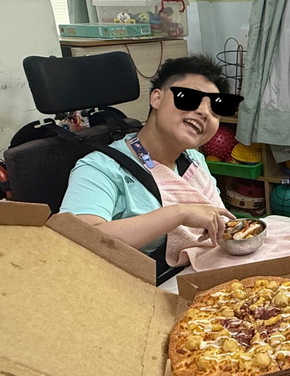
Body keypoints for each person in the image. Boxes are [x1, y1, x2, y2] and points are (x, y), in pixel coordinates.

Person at [60, 54, 239, 264]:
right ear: (156, 98)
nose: (204, 112)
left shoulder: (194, 161)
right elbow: (77, 242)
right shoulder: (99, 169)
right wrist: (178, 214)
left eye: (215, 110)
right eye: (190, 98)